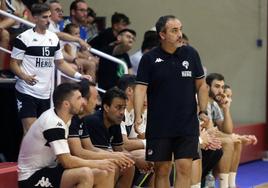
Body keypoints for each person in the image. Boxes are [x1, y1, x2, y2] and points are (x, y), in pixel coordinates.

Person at [134, 15, 209, 188]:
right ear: (162, 34)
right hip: (160, 125)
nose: (180, 34)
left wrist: (203, 111)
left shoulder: (191, 54)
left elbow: (201, 85)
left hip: (186, 123)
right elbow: (140, 88)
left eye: (180, 29)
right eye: (174, 31)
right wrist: (138, 115)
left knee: (184, 168)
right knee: (162, 170)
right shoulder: (149, 59)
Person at [9, 3, 92, 134]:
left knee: (41, 133)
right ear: (35, 18)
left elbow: (60, 63)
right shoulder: (24, 38)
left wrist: (78, 76)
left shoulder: (53, 38)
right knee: (31, 132)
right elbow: (13, 63)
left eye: (49, 17)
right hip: (26, 91)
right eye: (44, 17)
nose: (48, 20)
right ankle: (26, 155)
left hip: (45, 93)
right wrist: (24, 76)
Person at [17, 82, 115, 188]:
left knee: (104, 172)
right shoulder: (53, 123)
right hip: (31, 177)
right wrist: (98, 163)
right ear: (66, 104)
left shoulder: (66, 119)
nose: (83, 101)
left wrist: (103, 163)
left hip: (50, 169)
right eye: (78, 98)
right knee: (85, 174)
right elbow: (67, 161)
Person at [68, 79, 136, 188]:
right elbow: (78, 153)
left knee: (126, 165)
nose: (97, 103)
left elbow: (90, 148)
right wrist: (112, 156)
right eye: (95, 98)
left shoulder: (81, 119)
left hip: (75, 163)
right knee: (109, 168)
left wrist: (120, 156)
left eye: (124, 108)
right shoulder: (90, 120)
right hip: (59, 168)